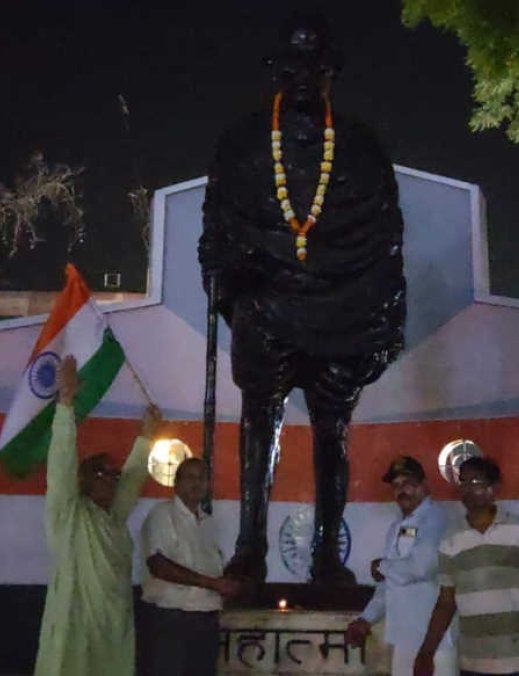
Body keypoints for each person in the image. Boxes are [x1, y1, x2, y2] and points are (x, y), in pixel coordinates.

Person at [199, 11, 406, 585]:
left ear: (331, 73)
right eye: (292, 68)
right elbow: (216, 227)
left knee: (332, 430)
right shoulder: (241, 143)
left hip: (344, 308)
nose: (303, 79)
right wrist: (224, 274)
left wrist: (383, 315)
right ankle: (249, 548)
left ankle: (326, 557)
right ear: (277, 72)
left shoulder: (361, 147)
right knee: (258, 423)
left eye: (315, 68)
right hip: (267, 306)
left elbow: (387, 237)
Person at [33, 355, 160, 676]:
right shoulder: (69, 515)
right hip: (72, 633)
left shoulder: (113, 520)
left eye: (114, 475)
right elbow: (61, 462)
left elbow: (132, 480)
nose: (113, 480)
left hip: (111, 634)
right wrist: (66, 403)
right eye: (104, 473)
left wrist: (147, 436)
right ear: (85, 479)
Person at [414, 457, 519, 676]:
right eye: (463, 482)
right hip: (476, 662)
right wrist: (426, 652)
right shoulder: (450, 539)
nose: (468, 489)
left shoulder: (518, 530)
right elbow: (446, 603)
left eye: (476, 482)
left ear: (493, 488)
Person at [345, 456, 458, 676]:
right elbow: (389, 584)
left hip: (436, 644)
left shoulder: (436, 519)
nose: (401, 490)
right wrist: (366, 619)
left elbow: (422, 567)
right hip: (404, 640)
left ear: (424, 485)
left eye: (408, 483)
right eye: (396, 485)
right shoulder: (398, 527)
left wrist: (381, 566)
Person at [139, 457, 242, 676]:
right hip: (171, 618)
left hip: (206, 618)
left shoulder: (209, 523)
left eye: (202, 478)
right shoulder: (163, 514)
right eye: (190, 477)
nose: (196, 483)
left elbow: (216, 569)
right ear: (176, 483)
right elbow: (158, 566)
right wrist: (210, 583)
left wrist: (227, 585)